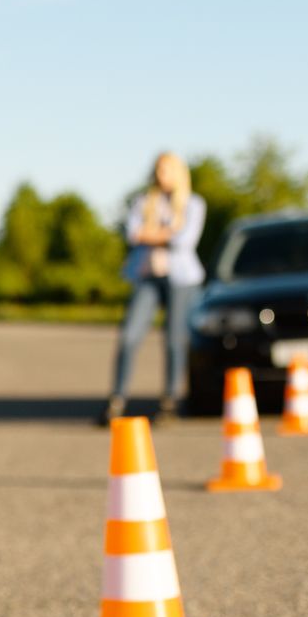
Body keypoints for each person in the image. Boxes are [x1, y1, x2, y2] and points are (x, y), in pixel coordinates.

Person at [104, 153, 206, 424]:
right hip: (147, 275)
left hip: (181, 278)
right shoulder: (143, 202)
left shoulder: (193, 204)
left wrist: (152, 235)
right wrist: (166, 233)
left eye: (166, 170)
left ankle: (170, 400)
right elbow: (133, 233)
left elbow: (184, 241)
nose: (161, 175)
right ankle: (117, 398)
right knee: (129, 336)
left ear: (178, 173)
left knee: (174, 339)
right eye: (158, 170)